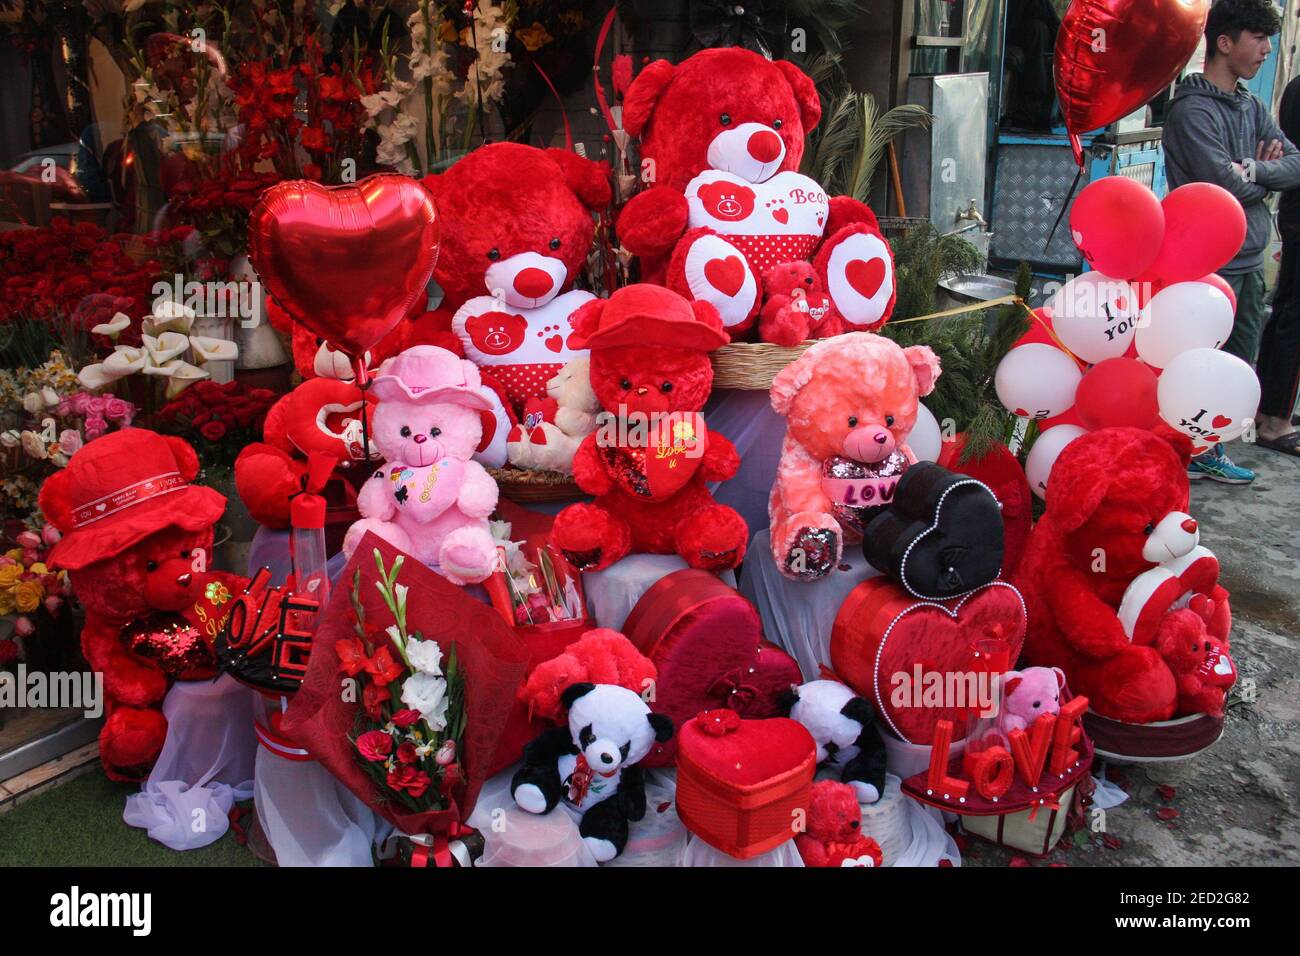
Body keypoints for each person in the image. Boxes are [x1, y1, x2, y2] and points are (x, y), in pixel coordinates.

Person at [1163, 0, 1300, 482]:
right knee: (1198, 362)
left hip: (1249, 260)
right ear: (1224, 43)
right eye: (1258, 38)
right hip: (1206, 263)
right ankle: (1183, 451)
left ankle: (1209, 450)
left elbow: (1296, 163)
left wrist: (1257, 169)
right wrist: (1261, 178)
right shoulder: (1190, 110)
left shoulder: (1253, 104)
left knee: (1238, 362)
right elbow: (1221, 182)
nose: (1266, 50)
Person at [1256, 74, 1300, 456]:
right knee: (1293, 317)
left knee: (1285, 309)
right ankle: (1275, 420)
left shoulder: (1296, 86)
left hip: (1293, 210)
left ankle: (1267, 407)